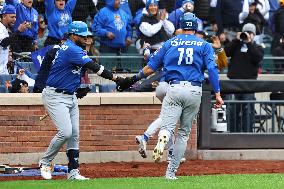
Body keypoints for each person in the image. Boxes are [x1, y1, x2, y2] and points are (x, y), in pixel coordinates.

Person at [117, 12, 223, 180]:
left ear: (181, 25)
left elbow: (150, 68)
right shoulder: (204, 45)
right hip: (194, 90)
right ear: (196, 27)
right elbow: (212, 69)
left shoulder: (169, 43)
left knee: (167, 125)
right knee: (183, 134)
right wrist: (217, 93)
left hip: (173, 87)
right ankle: (171, 172)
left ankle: (163, 135)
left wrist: (133, 79)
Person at [39, 21, 124, 180]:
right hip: (55, 95)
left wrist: (78, 88)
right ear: (73, 35)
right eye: (82, 36)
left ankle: (73, 172)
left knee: (74, 134)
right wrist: (117, 79)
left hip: (69, 95)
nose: (86, 39)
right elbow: (95, 67)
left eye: (87, 36)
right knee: (65, 132)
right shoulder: (71, 48)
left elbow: (70, 72)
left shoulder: (74, 48)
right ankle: (45, 162)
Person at [225, 23, 264, 132]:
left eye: (251, 33)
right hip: (234, 83)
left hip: (249, 84)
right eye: (246, 32)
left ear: (254, 35)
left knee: (248, 109)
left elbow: (258, 58)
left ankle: (247, 134)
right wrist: (236, 40)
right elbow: (226, 52)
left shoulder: (258, 47)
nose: (248, 34)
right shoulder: (236, 45)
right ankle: (232, 133)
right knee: (232, 109)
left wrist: (250, 43)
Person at [0, 4, 29, 74]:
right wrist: (18, 31)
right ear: (4, 16)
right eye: (12, 17)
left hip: (3, 70)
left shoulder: (5, 29)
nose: (14, 19)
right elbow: (4, 43)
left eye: (15, 17)